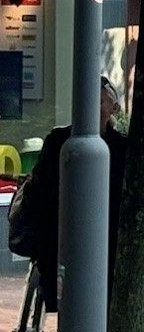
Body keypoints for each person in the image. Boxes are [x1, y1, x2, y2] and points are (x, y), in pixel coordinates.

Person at [10, 76, 127, 313]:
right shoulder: (59, 142)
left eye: (99, 102)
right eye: (86, 101)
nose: (91, 109)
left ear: (112, 107)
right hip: (62, 242)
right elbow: (40, 193)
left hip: (106, 246)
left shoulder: (121, 148)